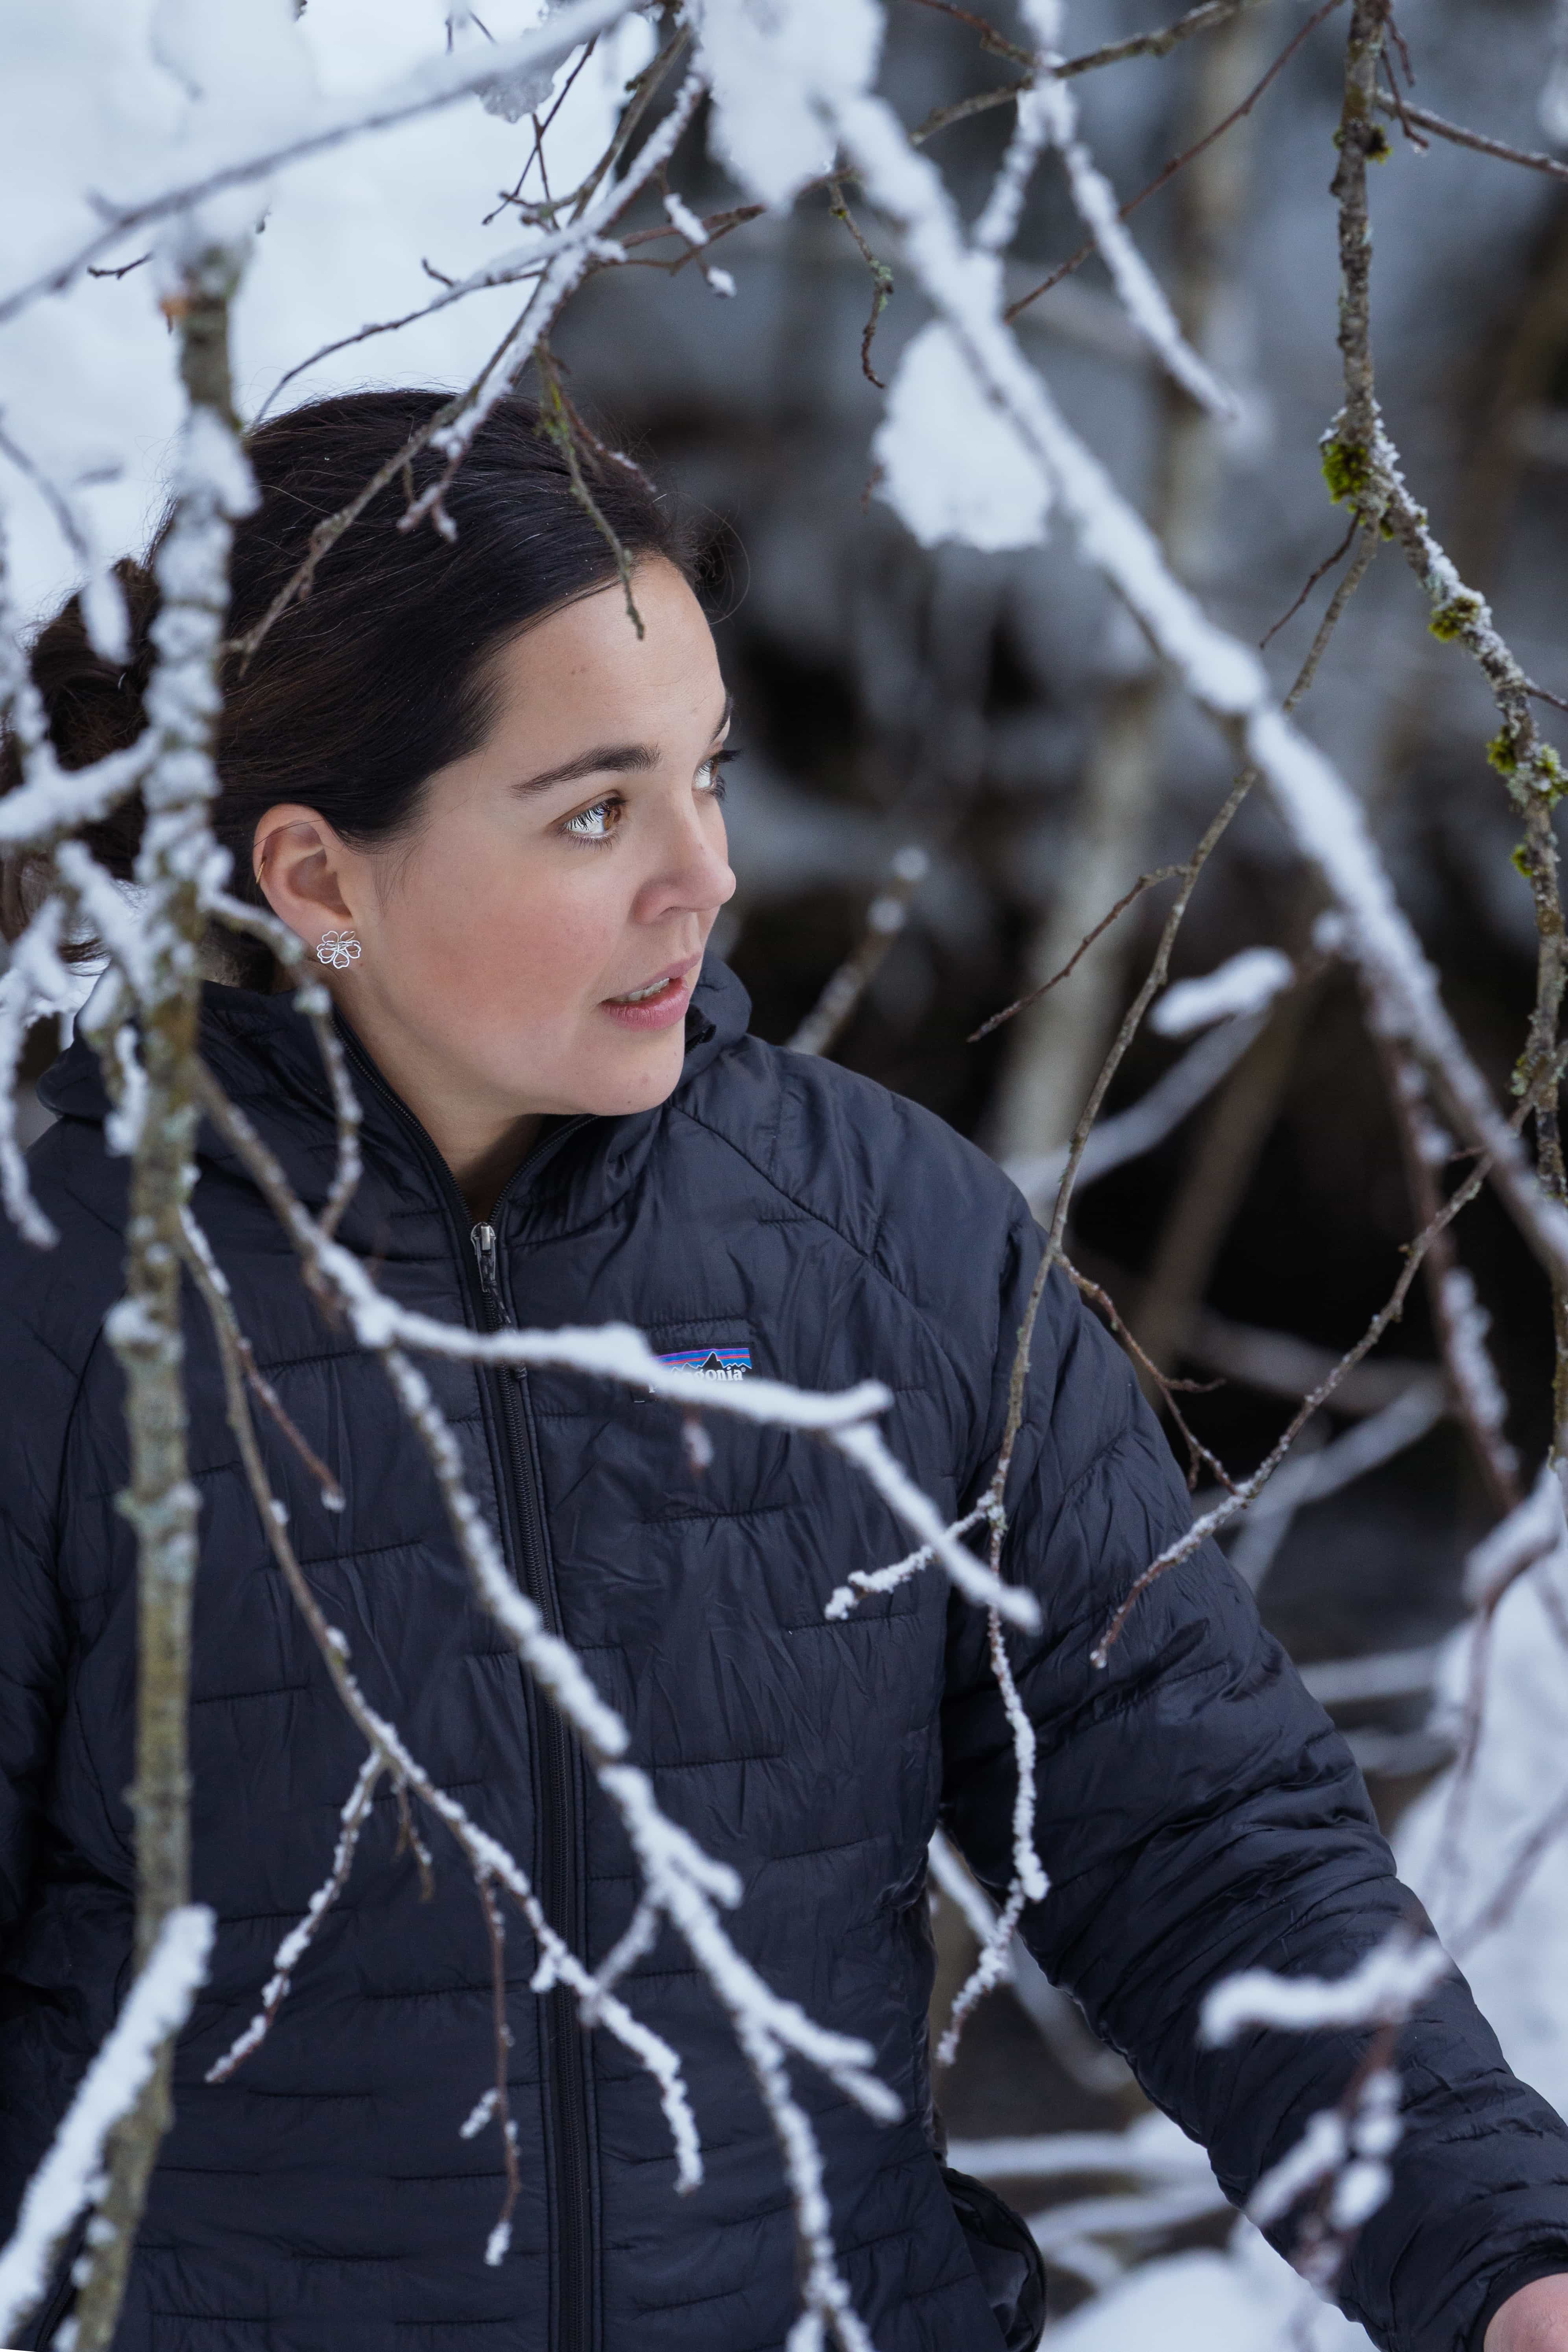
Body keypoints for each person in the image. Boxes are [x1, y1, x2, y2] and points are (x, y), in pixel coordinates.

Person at [1, 388, 1566, 2352]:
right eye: (595, 809)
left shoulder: (884, 1243)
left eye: (706, 776)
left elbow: (1192, 1832)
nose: (703, 875)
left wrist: (1502, 2255)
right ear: (318, 876)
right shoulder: (64, 1299)